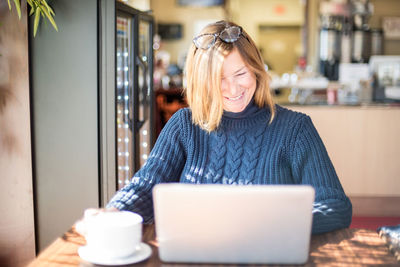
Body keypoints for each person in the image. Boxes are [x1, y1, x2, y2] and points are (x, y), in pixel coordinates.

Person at [106, 20, 352, 234]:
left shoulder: (296, 129)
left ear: (256, 70)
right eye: (218, 79)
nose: (233, 89)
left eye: (240, 74)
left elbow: (335, 206)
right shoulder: (184, 126)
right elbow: (147, 186)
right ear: (202, 82)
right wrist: (113, 211)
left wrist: (278, 225)